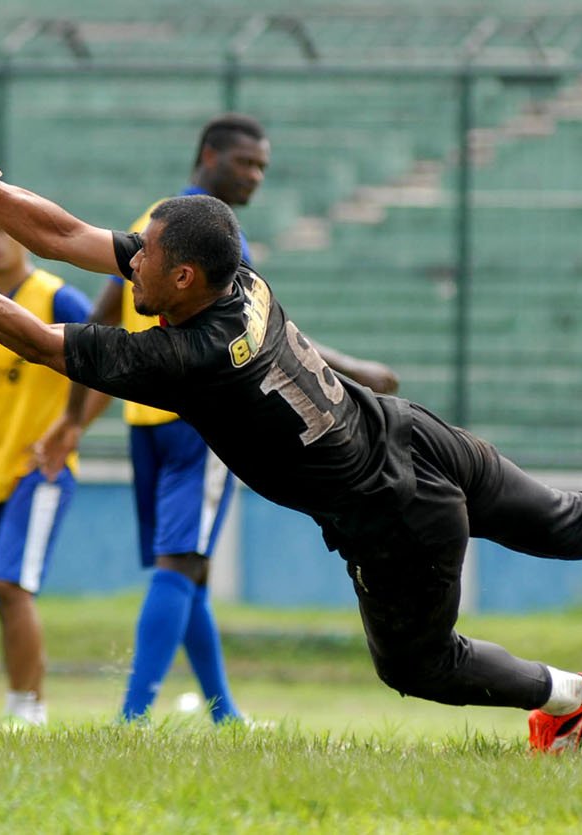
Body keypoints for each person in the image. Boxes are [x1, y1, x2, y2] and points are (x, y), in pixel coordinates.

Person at [0, 138, 582, 752]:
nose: (129, 260)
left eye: (144, 256)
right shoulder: (229, 281)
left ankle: (570, 694)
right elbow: (71, 232)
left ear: (181, 275)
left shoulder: (189, 355)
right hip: (409, 437)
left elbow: (39, 339)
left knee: (417, 664)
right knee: (563, 515)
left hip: (390, 512)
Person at [61, 113, 399, 724]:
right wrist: (358, 374)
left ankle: (224, 714)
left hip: (149, 416)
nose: (256, 177)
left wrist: (75, 418)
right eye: (246, 163)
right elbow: (265, 334)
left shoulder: (158, 219)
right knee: (181, 564)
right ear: (209, 154)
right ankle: (131, 720)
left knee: (189, 566)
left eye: (264, 167)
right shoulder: (212, 234)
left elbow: (109, 299)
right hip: (201, 418)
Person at [0, 207, 92, 727]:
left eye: (1, 231)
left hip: (41, 471)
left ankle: (30, 709)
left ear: (24, 240)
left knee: (13, 586)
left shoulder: (58, 297)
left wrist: (69, 426)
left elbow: (96, 357)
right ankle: (19, 697)